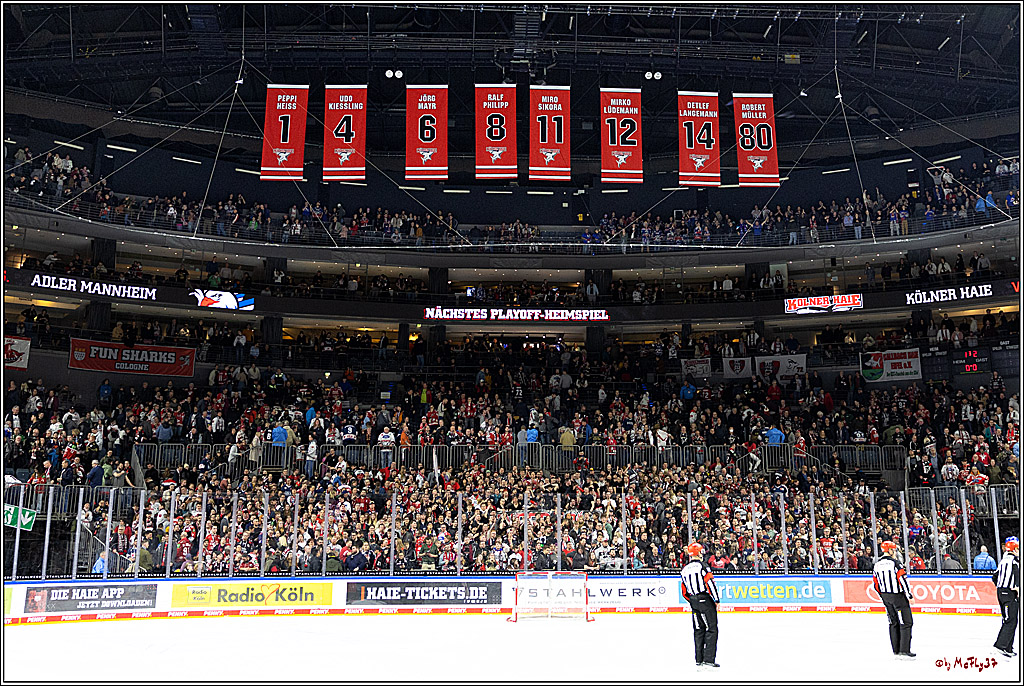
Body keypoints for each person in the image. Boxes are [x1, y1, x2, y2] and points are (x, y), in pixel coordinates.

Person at [680, 542, 720, 669]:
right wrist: (716, 600)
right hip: (704, 599)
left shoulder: (684, 569)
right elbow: (710, 583)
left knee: (698, 630)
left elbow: (683, 590)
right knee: (711, 628)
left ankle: (699, 659)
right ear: (698, 552)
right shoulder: (703, 566)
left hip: (693, 600)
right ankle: (708, 659)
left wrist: (693, 600)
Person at [873, 540, 915, 659]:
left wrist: (883, 596)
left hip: (886, 597)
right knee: (906, 622)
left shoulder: (877, 564)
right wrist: (909, 595)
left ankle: (896, 650)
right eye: (894, 550)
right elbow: (902, 579)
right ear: (890, 550)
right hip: (898, 597)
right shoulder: (895, 564)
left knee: (893, 622)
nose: (895, 552)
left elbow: (875, 584)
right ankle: (904, 650)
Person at [993, 536, 1019, 658]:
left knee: (1008, 619)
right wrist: (1017, 587)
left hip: (1001, 592)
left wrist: (1000, 586)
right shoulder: (1014, 561)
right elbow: (1017, 574)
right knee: (1011, 620)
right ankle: (1000, 645)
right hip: (1010, 593)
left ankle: (1008, 647)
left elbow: (994, 576)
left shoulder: (1003, 560)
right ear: (1014, 548)